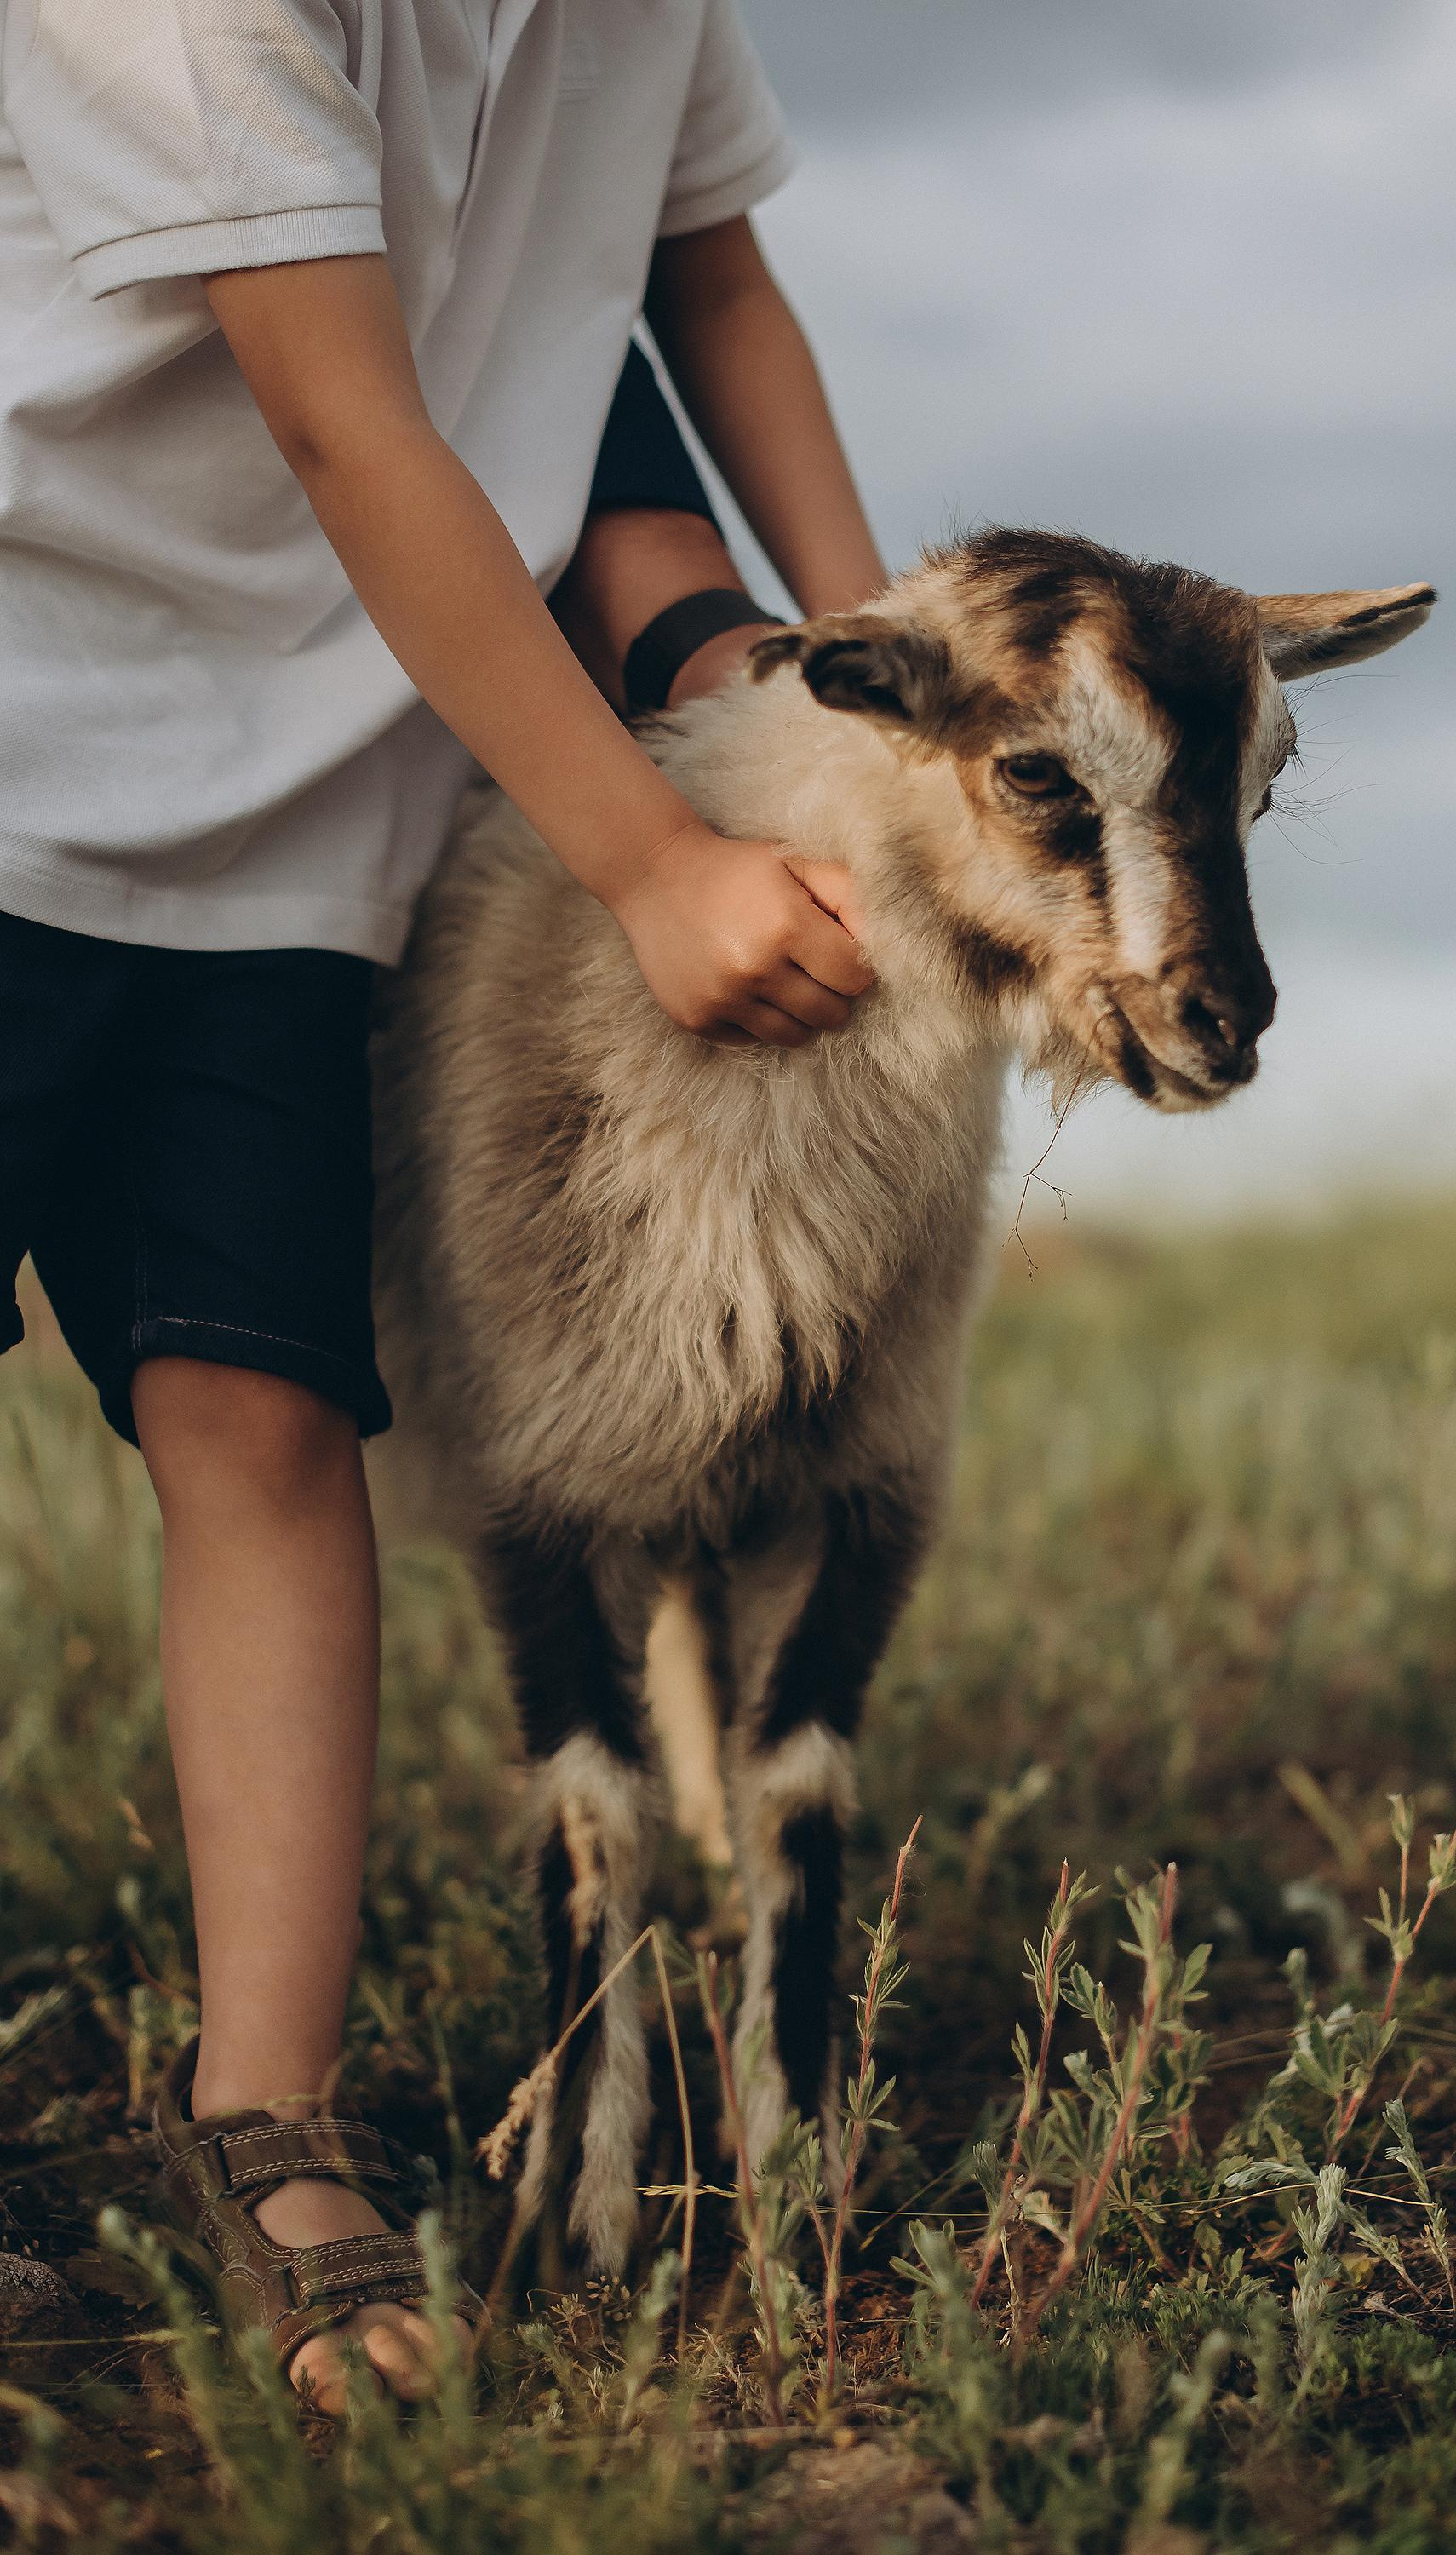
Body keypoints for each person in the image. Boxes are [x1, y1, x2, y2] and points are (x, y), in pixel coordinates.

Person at [0, 0, 887, 2409]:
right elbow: (342, 410)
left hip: (292, 814)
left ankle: (262, 2118)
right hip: (23, 709)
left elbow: (702, 296)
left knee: (264, 1421)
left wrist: (873, 687)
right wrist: (658, 857)